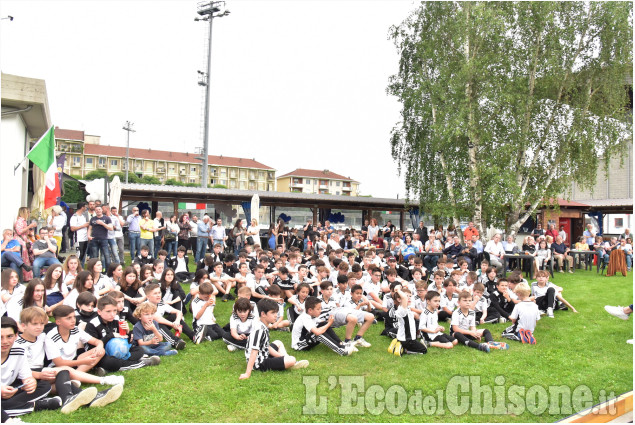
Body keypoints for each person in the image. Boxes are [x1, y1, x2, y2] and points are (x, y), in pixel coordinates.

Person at [16, 307, 125, 413]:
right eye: (35, 324)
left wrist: (99, 346)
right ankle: (102, 382)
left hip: (43, 374)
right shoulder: (19, 344)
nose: (39, 327)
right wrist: (38, 375)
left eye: (41, 324)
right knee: (63, 371)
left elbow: (95, 341)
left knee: (63, 376)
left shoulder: (41, 336)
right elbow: (19, 371)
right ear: (23, 326)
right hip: (29, 378)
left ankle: (93, 397)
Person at [1, 316, 62, 419]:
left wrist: (30, 383)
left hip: (11, 390)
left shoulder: (19, 351)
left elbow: (27, 377)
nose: (5, 341)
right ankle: (38, 405)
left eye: (9, 336)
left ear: (16, 336)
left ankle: (8, 407)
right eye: (0, 337)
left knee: (44, 386)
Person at [239, 298, 308, 380]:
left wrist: (281, 357)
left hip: (264, 354)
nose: (276, 315)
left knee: (278, 342)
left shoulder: (262, 324)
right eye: (273, 313)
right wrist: (247, 373)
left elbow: (266, 346)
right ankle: (291, 363)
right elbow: (254, 351)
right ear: (263, 314)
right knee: (292, 359)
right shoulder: (259, 330)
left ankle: (288, 360)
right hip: (259, 363)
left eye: (276, 312)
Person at [290, 296, 355, 356]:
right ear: (310, 310)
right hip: (299, 345)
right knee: (318, 334)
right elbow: (317, 332)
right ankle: (341, 350)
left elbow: (322, 323)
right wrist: (329, 323)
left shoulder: (311, 315)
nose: (320, 311)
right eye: (318, 309)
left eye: (320, 308)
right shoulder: (305, 317)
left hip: (306, 338)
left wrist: (329, 322)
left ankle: (341, 343)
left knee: (323, 324)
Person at [391, 287, 427, 355]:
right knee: (423, 350)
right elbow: (404, 298)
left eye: (410, 296)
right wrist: (398, 290)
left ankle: (402, 345)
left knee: (421, 346)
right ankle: (405, 350)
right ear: (399, 299)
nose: (409, 298)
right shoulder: (402, 310)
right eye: (407, 296)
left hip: (409, 338)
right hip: (407, 340)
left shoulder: (407, 309)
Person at [14, 207, 38, 281]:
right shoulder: (20, 221)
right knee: (24, 258)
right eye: (28, 212)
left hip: (24, 240)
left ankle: (27, 276)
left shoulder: (23, 221)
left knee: (26, 258)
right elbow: (19, 231)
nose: (29, 214)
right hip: (20, 240)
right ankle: (25, 276)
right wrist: (29, 226)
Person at [88, 206, 114, 270]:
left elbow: (111, 228)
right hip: (94, 239)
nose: (98, 211)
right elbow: (90, 228)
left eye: (99, 209)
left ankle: (108, 271)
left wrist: (102, 223)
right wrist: (88, 236)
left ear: (102, 210)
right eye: (96, 210)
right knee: (94, 257)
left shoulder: (107, 218)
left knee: (106, 255)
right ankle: (95, 270)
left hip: (103, 239)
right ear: (95, 211)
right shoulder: (93, 219)